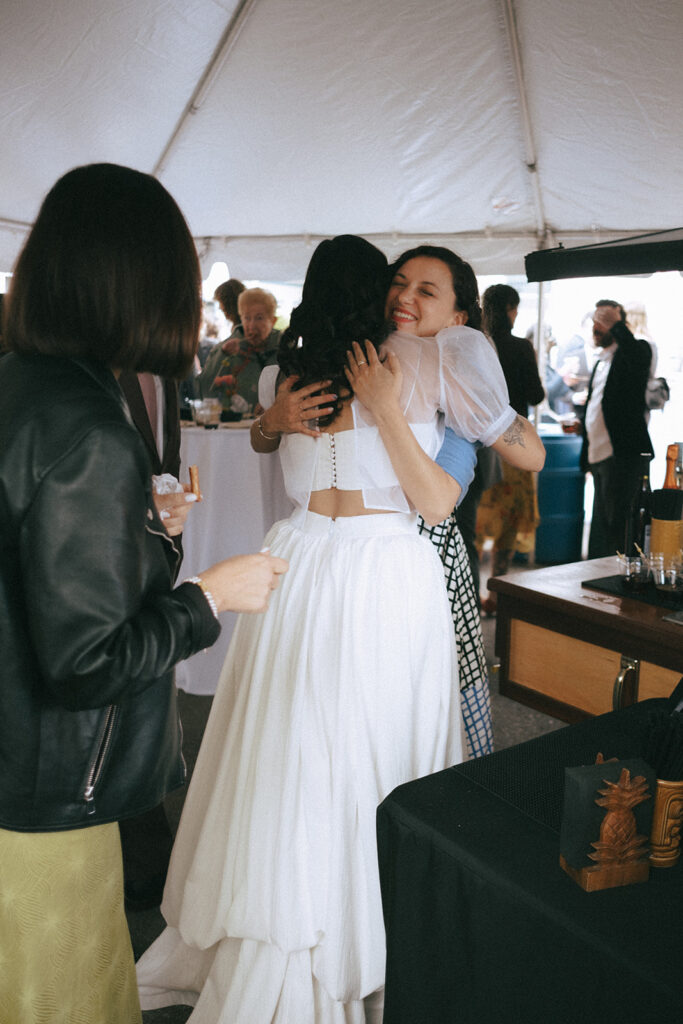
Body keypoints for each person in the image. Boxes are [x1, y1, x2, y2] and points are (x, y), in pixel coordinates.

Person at [136, 235, 544, 1021]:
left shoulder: (280, 373)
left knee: (288, 748)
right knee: (369, 748)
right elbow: (442, 497)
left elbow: (271, 448)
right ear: (376, 296)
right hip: (382, 572)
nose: (405, 301)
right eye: (398, 286)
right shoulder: (419, 365)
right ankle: (366, 934)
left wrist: (267, 421)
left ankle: (279, 915)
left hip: (294, 562)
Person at [0, 162, 288, 1024]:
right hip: (47, 795)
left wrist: (145, 533)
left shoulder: (19, 385)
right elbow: (87, 662)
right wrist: (209, 595)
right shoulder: (88, 427)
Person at [476, 284, 545, 613]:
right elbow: (536, 395)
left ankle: (467, 588)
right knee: (508, 520)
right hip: (512, 447)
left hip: (477, 446)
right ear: (509, 309)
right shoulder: (520, 347)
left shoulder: (473, 345)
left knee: (476, 517)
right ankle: (495, 594)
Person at [580, 299, 653, 558]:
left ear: (619, 325)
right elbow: (595, 405)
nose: (598, 327)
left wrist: (617, 326)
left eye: (605, 322)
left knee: (619, 527)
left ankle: (615, 583)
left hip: (622, 455)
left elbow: (637, 356)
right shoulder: (601, 360)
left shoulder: (634, 352)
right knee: (601, 525)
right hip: (599, 454)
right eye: (596, 322)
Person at [198, 286, 281, 413]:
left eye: (259, 318)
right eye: (247, 318)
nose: (252, 326)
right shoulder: (224, 350)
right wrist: (222, 355)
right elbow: (203, 391)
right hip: (233, 429)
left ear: (273, 320)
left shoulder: (286, 353)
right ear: (241, 318)